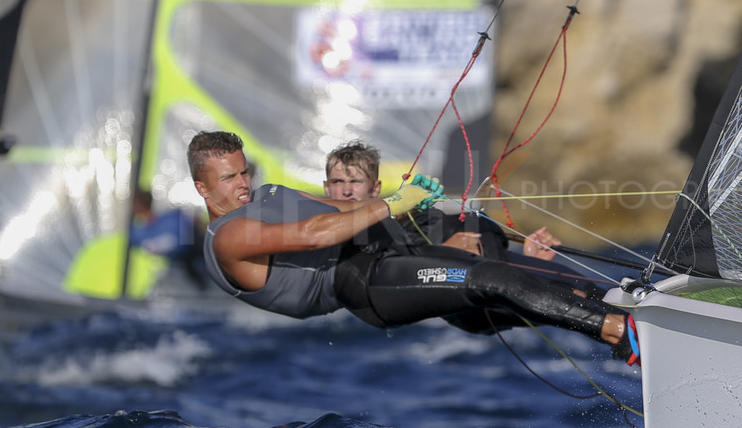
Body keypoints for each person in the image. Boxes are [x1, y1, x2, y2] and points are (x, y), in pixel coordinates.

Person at [192, 130, 635, 357]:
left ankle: (619, 303)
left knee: (475, 229)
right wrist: (395, 204)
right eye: (229, 178)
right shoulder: (230, 235)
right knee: (489, 279)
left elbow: (340, 211)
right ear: (202, 187)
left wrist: (405, 204)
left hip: (379, 245)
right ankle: (618, 331)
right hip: (359, 281)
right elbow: (315, 233)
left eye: (244, 171)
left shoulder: (270, 195)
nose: (243, 184)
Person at [322, 141, 560, 261]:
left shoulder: (400, 218)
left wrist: (528, 257)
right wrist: (446, 251)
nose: (345, 190)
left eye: (355, 182)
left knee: (567, 281)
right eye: (336, 182)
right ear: (325, 188)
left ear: (375, 189)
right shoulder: (315, 226)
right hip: (459, 274)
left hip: (485, 252)